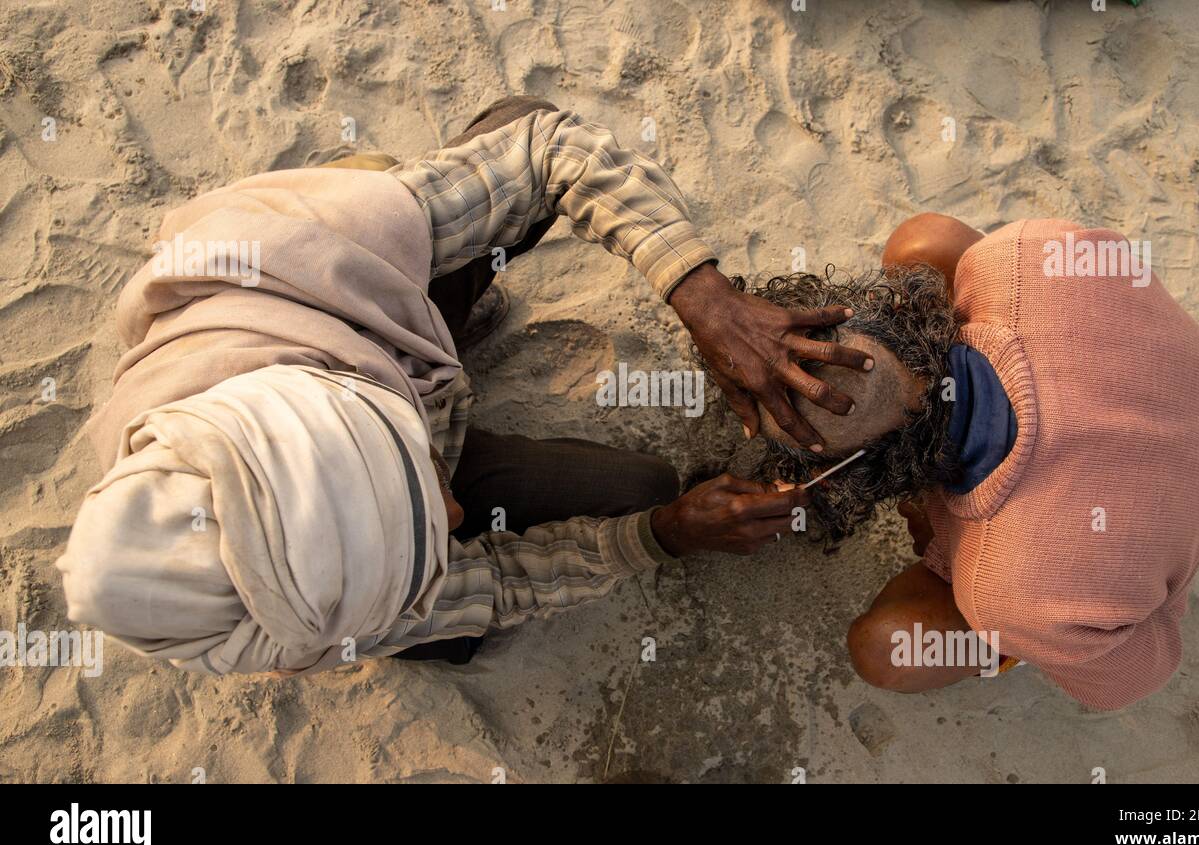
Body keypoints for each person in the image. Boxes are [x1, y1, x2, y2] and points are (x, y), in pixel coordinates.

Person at [58, 96, 867, 676]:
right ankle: (429, 623)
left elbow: (550, 150)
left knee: (499, 126)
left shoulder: (302, 256)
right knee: (633, 496)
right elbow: (495, 582)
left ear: (334, 392)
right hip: (381, 368)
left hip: (361, 310)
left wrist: (707, 300)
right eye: (420, 539)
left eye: (413, 471)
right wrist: (661, 534)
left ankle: (426, 315)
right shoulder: (305, 613)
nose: (454, 514)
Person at [749, 214, 1199, 709]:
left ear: (882, 478)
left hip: (1128, 541)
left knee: (889, 651)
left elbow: (1139, 672)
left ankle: (1021, 645)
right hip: (1188, 375)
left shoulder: (1005, 592)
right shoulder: (1018, 252)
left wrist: (951, 540)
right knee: (923, 242)